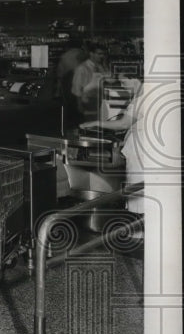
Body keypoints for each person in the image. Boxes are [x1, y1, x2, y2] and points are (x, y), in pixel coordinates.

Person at [80, 76, 144, 219]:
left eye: (124, 81)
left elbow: (123, 124)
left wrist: (96, 123)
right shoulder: (150, 95)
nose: (122, 86)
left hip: (140, 153)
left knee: (138, 195)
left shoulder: (142, 99)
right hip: (145, 152)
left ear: (136, 79)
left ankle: (138, 229)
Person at [70, 42, 109, 123]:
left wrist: (105, 66)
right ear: (91, 54)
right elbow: (76, 88)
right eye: (99, 54)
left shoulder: (101, 67)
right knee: (91, 124)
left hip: (101, 100)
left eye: (103, 54)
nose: (102, 56)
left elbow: (109, 80)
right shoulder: (82, 68)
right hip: (88, 102)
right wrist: (79, 105)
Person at [55, 36, 87, 128]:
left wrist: (57, 90)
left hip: (68, 82)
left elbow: (60, 73)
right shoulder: (84, 54)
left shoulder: (65, 56)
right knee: (82, 104)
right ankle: (83, 125)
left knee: (71, 105)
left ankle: (71, 126)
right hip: (83, 81)